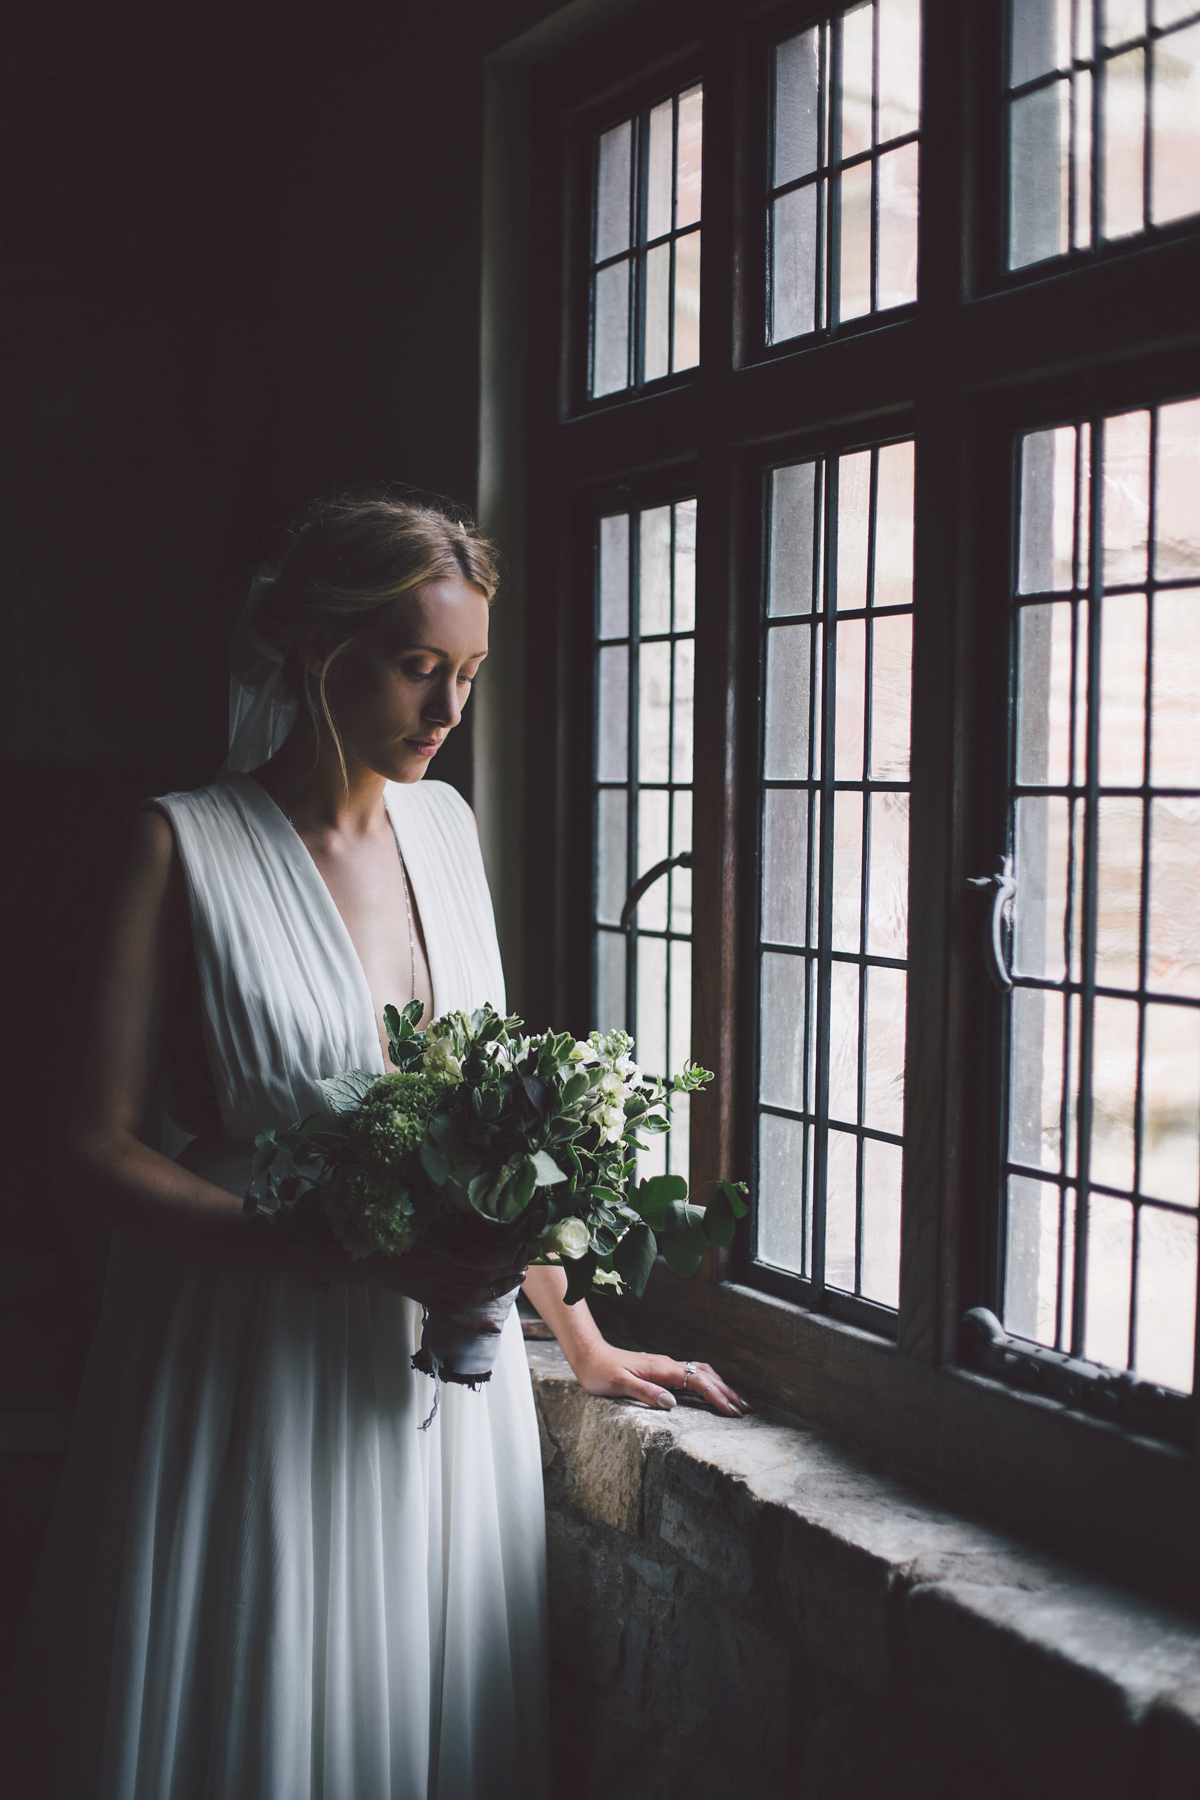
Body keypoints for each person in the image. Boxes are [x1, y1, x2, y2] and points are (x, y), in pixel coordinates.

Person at [5, 494, 746, 1799]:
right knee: (263, 1692)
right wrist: (324, 1250)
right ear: (312, 651)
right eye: (418, 668)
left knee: (409, 1701)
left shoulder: (448, 833)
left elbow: (500, 1127)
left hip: (439, 1385)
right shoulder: (178, 843)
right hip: (246, 1354)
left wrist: (576, 1339)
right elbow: (87, 1147)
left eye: (464, 674)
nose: (448, 712)